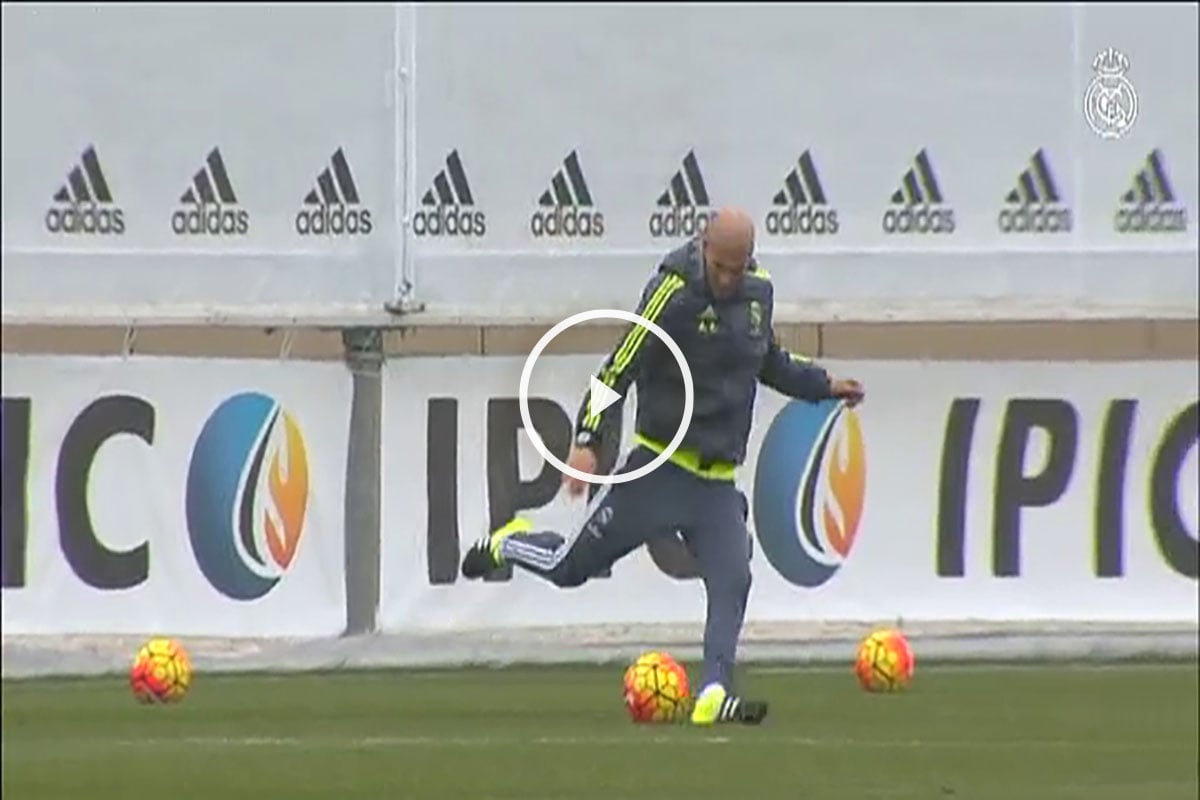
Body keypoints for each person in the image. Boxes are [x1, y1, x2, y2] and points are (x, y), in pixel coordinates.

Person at [461, 207, 865, 725]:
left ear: (749, 262)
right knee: (568, 568)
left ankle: (714, 692)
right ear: (702, 248)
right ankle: (507, 541)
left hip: (715, 483)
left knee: (732, 579)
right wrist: (588, 440)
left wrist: (824, 386)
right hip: (658, 468)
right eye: (719, 267)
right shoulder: (670, 294)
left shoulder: (759, 294)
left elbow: (766, 361)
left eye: (735, 269)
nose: (725, 279)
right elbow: (616, 371)